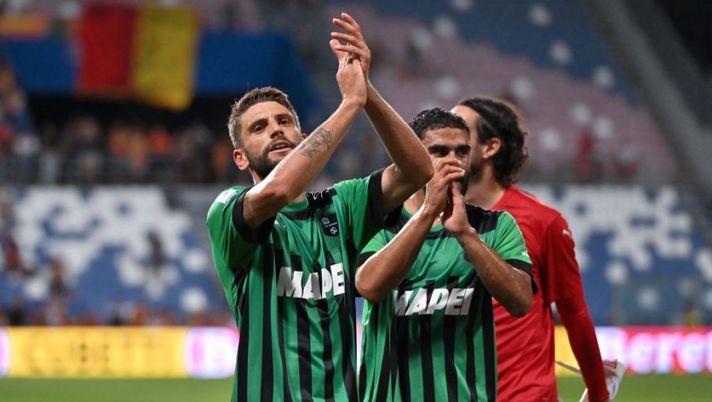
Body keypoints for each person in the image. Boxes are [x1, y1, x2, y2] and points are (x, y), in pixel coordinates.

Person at [206, 13, 433, 402]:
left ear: (303, 135)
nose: (276, 129)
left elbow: (417, 170)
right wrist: (349, 106)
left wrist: (367, 92)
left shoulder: (341, 207)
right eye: (259, 128)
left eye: (284, 121)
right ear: (240, 158)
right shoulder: (227, 210)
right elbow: (277, 193)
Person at [356, 108, 534, 402]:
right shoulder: (377, 223)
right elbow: (370, 287)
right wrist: (428, 212)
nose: (454, 162)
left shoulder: (494, 226)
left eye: (462, 152)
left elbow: (521, 301)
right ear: (411, 157)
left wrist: (465, 235)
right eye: (439, 151)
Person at [452, 97, 611, 402]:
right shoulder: (429, 219)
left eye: (460, 131)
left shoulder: (542, 222)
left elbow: (575, 314)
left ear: (490, 147)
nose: (446, 137)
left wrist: (599, 395)